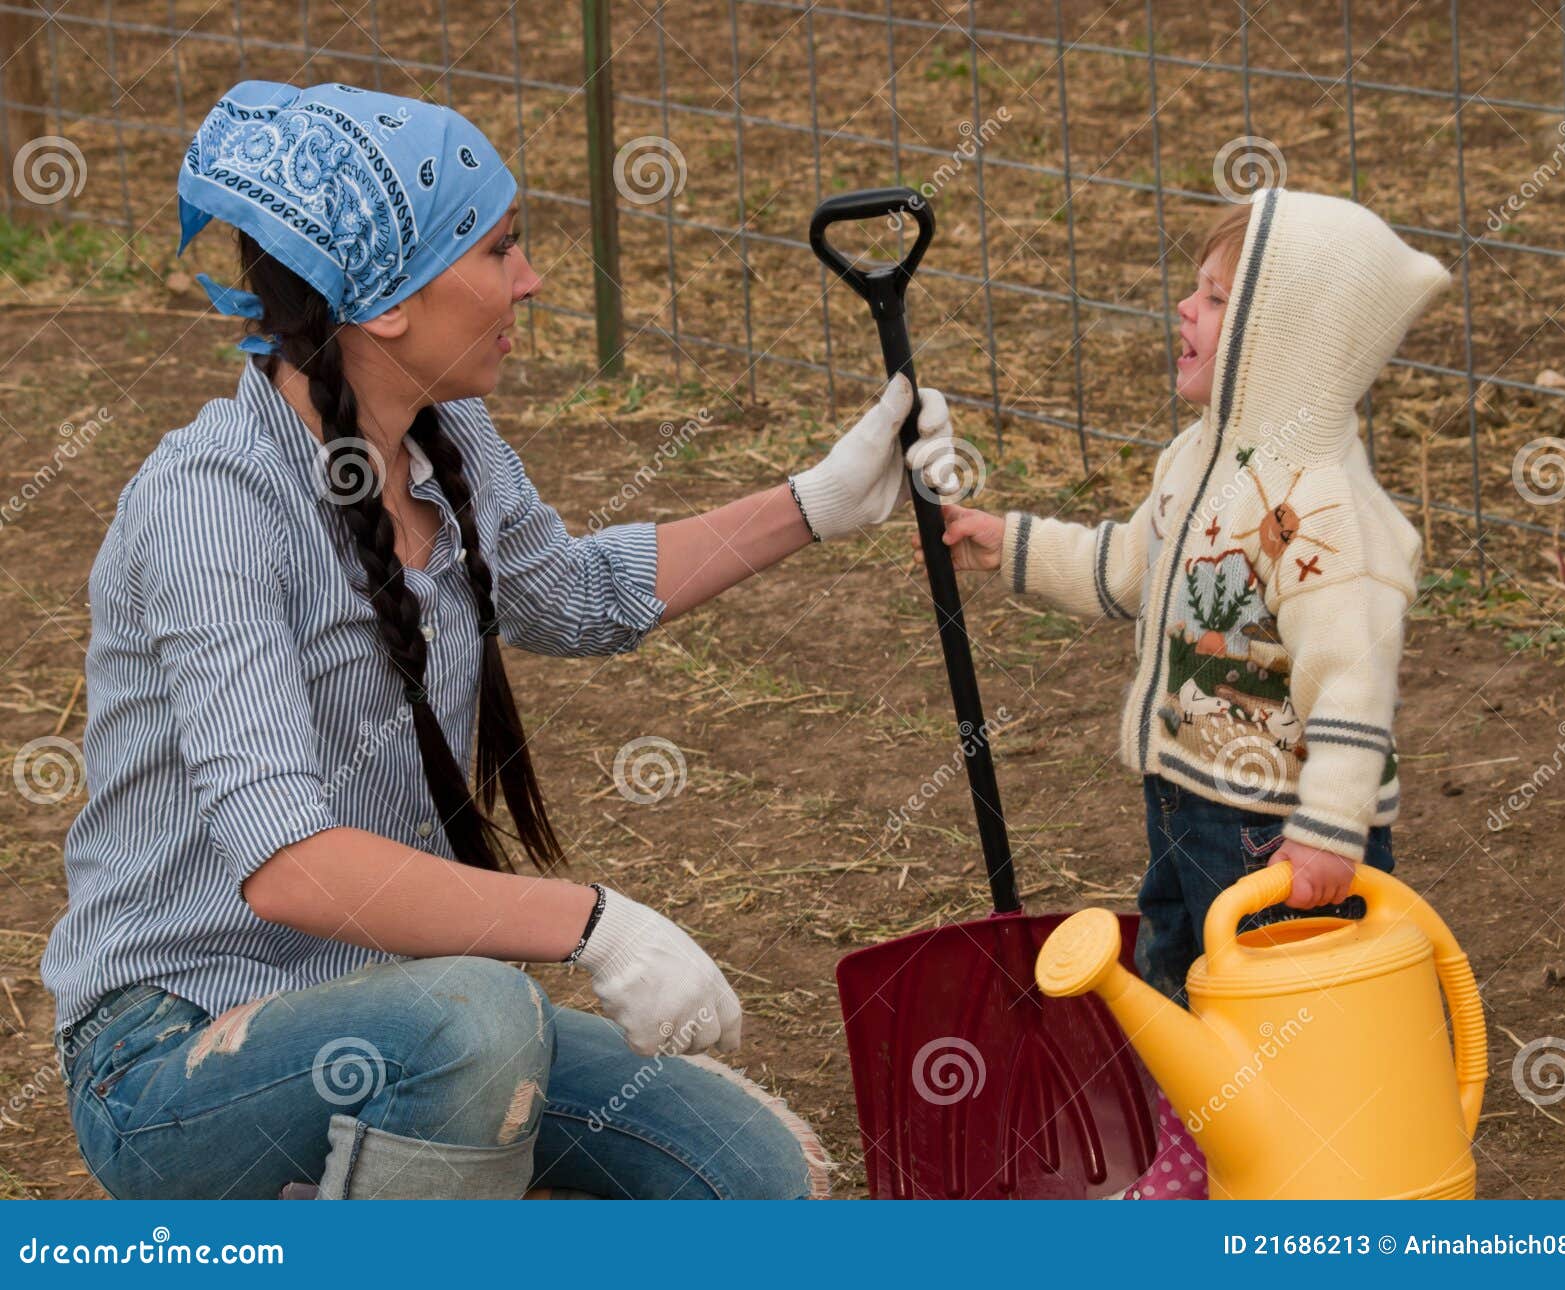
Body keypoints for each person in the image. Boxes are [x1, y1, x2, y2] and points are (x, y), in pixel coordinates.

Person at [41, 79, 954, 1200]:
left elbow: (572, 595)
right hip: (178, 1062)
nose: (528, 281)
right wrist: (595, 926)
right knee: (479, 1010)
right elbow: (288, 865)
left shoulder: (447, 435)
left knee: (748, 1174)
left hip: (401, 1021)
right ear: (383, 302)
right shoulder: (210, 504)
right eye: (497, 251)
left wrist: (814, 502)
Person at [913, 188, 1450, 1198]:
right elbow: (1129, 569)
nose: (1183, 311)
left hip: (1276, 829)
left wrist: (1328, 832)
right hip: (1185, 797)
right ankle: (1205, 1156)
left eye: (1211, 299)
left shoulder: (1326, 508)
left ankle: (1310, 1166)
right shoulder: (1202, 460)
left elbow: (1354, 682)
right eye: (1192, 292)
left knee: (1279, 1001)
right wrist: (1012, 546)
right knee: (1178, 969)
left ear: (1278, 339)